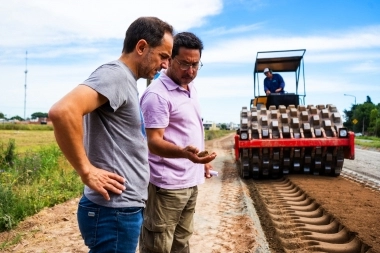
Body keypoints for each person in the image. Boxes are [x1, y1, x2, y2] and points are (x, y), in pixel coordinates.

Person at [48, 17, 174, 253]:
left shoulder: (126, 80)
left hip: (120, 209)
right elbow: (62, 112)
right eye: (163, 56)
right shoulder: (115, 75)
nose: (166, 65)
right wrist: (86, 170)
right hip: (114, 211)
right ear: (141, 47)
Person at [139, 32, 217, 253]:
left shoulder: (191, 88)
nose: (190, 71)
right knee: (158, 245)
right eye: (184, 64)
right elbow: (153, 142)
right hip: (167, 186)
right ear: (169, 60)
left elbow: (188, 131)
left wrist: (201, 162)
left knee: (181, 243)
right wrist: (185, 154)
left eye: (195, 65)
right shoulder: (157, 95)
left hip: (190, 182)